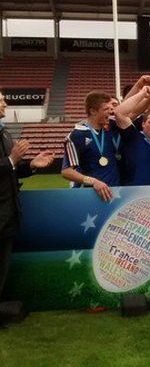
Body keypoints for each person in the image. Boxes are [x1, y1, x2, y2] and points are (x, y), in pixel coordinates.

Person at [0, 90, 54, 315]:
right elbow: (7, 164)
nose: (4, 103)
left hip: (7, 212)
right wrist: (12, 160)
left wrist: (30, 165)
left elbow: (10, 172)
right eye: (0, 99)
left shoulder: (4, 134)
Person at [62, 92, 121, 201]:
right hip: (93, 196)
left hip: (117, 193)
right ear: (93, 111)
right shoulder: (76, 135)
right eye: (106, 109)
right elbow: (66, 172)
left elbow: (132, 111)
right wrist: (94, 181)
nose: (111, 111)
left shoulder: (111, 126)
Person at [114, 85, 150, 185]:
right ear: (143, 123)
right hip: (134, 195)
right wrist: (144, 93)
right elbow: (119, 113)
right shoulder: (133, 137)